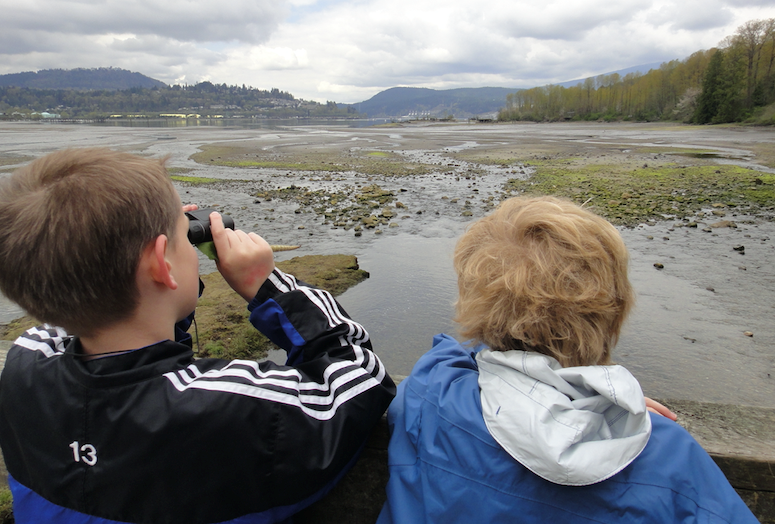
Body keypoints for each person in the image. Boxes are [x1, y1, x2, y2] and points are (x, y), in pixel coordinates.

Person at [0, 148, 395, 524]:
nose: (191, 238)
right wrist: (269, 286)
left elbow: (93, 301)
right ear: (160, 265)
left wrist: (165, 249)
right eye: (184, 234)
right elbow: (358, 373)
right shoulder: (240, 410)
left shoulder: (26, 365)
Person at [377, 196, 757, 523]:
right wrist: (604, 403)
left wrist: (555, 388)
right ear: (615, 313)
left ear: (474, 309)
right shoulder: (668, 454)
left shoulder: (432, 391)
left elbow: (453, 356)